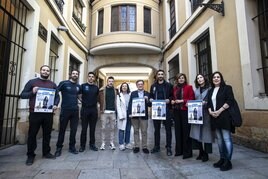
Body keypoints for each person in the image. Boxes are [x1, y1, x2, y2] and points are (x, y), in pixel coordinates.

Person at [20, 65, 59, 165]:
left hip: (48, 114)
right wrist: (32, 92)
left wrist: (55, 104)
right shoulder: (32, 82)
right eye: (44, 70)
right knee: (32, 134)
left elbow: (57, 97)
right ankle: (30, 155)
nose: (45, 72)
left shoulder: (52, 84)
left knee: (47, 134)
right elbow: (23, 95)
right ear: (40, 71)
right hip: (35, 113)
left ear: (49, 72)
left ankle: (46, 152)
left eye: (47, 70)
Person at [207, 71, 235, 171]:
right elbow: (209, 103)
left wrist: (219, 111)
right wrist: (211, 112)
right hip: (214, 117)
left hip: (224, 116)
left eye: (218, 77)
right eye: (214, 77)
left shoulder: (227, 88)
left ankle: (228, 161)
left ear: (221, 78)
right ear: (212, 79)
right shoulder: (210, 91)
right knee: (219, 139)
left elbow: (230, 100)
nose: (216, 78)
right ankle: (222, 158)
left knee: (226, 138)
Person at [54, 69, 81, 157]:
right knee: (62, 130)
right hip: (65, 110)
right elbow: (55, 92)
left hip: (75, 111)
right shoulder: (64, 83)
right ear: (70, 74)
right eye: (73, 73)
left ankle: (72, 147)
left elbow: (80, 97)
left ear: (78, 75)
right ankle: (59, 148)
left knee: (74, 130)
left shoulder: (78, 86)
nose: (75, 75)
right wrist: (55, 104)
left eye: (76, 74)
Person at [190, 74, 215, 162]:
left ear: (204, 79)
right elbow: (193, 100)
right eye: (198, 78)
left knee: (206, 134)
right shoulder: (196, 90)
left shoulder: (210, 89)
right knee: (198, 134)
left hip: (206, 114)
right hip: (197, 114)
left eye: (201, 77)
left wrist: (206, 103)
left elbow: (212, 100)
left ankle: (206, 154)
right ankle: (201, 152)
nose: (199, 79)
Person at [149, 70, 173, 156]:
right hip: (156, 110)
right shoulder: (153, 86)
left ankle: (169, 147)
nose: (160, 75)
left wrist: (169, 100)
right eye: (159, 74)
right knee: (157, 130)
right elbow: (151, 95)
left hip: (166, 110)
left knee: (168, 130)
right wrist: (151, 99)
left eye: (162, 74)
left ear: (164, 75)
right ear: (156, 76)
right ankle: (156, 146)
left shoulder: (169, 85)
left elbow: (172, 95)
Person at [171, 73, 194, 159]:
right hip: (176, 112)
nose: (181, 79)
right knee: (178, 131)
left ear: (185, 79)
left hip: (185, 111)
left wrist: (182, 101)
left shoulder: (189, 87)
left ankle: (187, 152)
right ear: (177, 80)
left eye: (182, 78)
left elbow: (192, 99)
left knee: (186, 131)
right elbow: (173, 98)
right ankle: (179, 151)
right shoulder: (175, 89)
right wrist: (173, 101)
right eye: (179, 78)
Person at [79, 72, 99, 152]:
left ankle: (92, 144)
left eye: (92, 77)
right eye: (89, 76)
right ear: (87, 77)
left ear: (94, 78)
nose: (91, 78)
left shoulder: (96, 87)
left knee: (92, 129)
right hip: (85, 110)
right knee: (84, 129)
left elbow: (97, 97)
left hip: (93, 110)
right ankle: (82, 146)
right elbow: (79, 95)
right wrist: (83, 102)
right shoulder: (83, 86)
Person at [128, 80, 150, 154]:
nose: (140, 85)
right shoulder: (133, 93)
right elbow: (130, 103)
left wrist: (147, 100)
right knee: (136, 131)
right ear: (137, 85)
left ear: (143, 85)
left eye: (141, 84)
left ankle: (144, 147)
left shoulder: (147, 93)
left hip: (144, 116)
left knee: (144, 131)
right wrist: (130, 113)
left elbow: (150, 104)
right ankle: (136, 146)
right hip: (135, 115)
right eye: (138, 84)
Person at [98, 76, 117, 150]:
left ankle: (111, 143)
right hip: (104, 112)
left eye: (112, 81)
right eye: (109, 81)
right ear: (107, 81)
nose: (111, 82)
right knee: (103, 128)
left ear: (113, 82)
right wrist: (101, 107)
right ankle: (103, 143)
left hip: (113, 112)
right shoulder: (102, 90)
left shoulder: (116, 90)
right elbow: (98, 99)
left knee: (112, 128)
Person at [116, 82, 132, 151]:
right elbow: (118, 106)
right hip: (122, 114)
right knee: (121, 129)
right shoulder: (119, 95)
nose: (124, 87)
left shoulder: (130, 95)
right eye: (123, 86)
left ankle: (127, 143)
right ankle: (121, 144)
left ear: (127, 88)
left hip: (129, 114)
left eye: (126, 86)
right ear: (121, 88)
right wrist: (120, 115)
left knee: (128, 129)